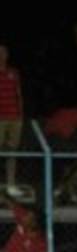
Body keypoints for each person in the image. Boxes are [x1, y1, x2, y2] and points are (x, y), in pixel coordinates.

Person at [0, 45, 21, 191]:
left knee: (12, 151)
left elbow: (19, 94)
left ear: (7, 55)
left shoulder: (13, 72)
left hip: (14, 118)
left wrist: (21, 115)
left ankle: (11, 184)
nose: (1, 54)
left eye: (3, 52)